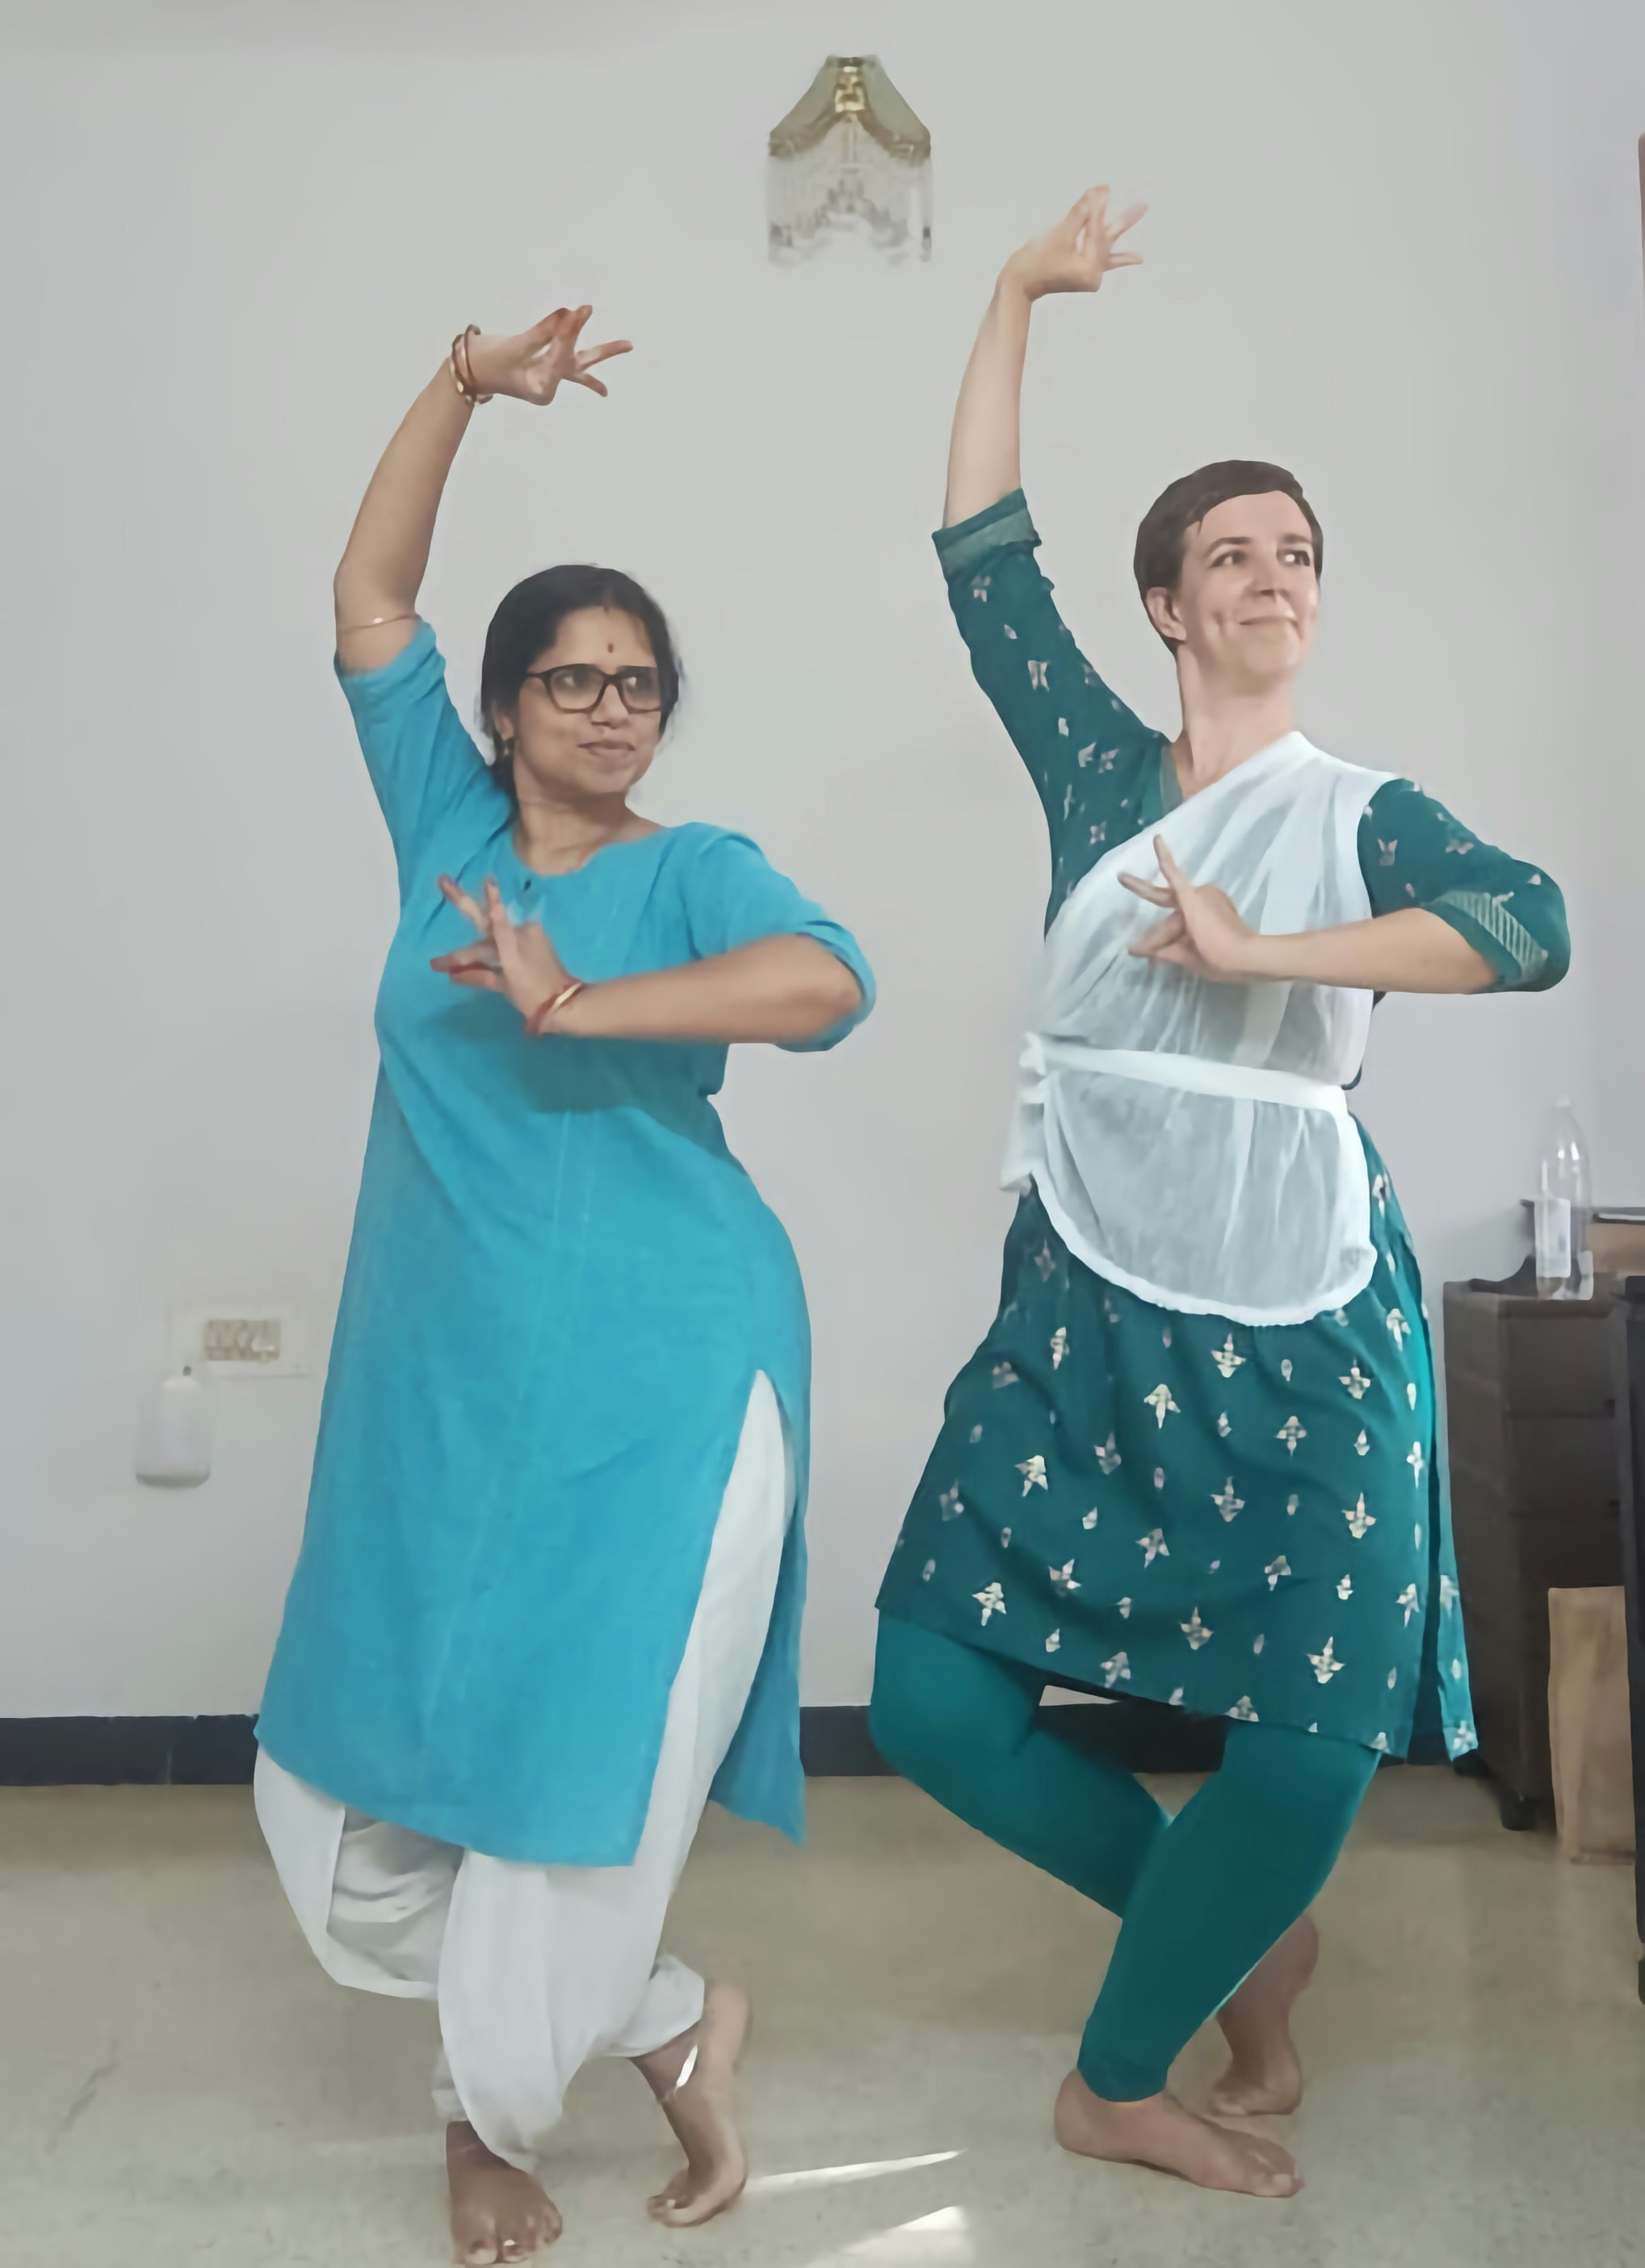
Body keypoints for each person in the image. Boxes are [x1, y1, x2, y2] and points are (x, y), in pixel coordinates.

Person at [870, 190, 1569, 2200]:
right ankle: (1240, 1935)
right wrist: (1013, 289)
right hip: (1087, 1295)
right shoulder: (1096, 774)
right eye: (1230, 555)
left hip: (1304, 1303)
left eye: (1295, 554)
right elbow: (979, 559)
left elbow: (1525, 926)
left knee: (1305, 1740)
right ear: (1165, 608)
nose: (1271, 576)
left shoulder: (1355, 816)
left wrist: (1266, 954)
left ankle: (1116, 2074)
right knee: (930, 1702)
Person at [252, 305, 873, 2263]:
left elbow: (825, 984)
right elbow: (368, 598)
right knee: (340, 1808)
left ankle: (489, 2122)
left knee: (578, 1768)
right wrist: (460, 384)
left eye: (638, 684)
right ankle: (672, 2018)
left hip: (667, 1372)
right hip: (446, 1377)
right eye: (571, 680)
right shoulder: (447, 834)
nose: (610, 711)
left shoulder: (690, 869)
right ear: (504, 708)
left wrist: (580, 1001)